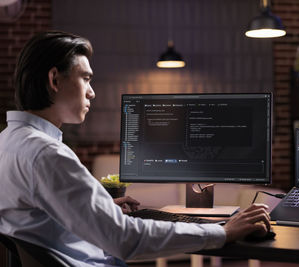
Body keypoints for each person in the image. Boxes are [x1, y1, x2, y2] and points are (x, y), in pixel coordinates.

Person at [0, 31, 271, 267]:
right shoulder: (47, 154)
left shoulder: (8, 143)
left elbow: (38, 218)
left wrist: (100, 209)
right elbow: (124, 240)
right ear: (54, 80)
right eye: (86, 78)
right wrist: (223, 232)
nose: (92, 92)